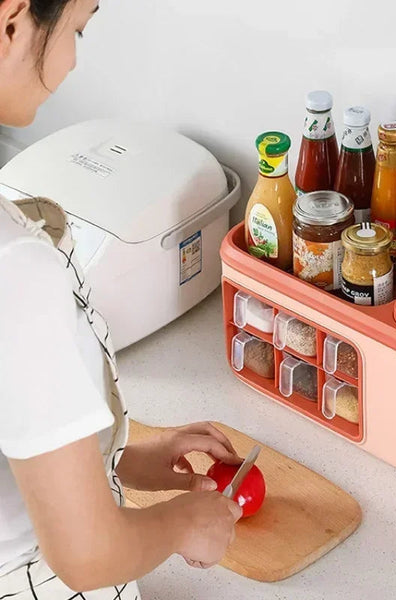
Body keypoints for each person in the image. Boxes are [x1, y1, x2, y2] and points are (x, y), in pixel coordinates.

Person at [0, 1, 244, 597]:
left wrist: (116, 455)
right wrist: (189, 522)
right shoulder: (16, 268)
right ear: (12, 22)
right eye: (79, 27)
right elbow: (87, 557)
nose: (76, 56)